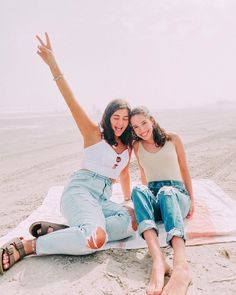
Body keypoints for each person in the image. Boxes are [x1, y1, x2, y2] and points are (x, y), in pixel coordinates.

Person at [0, 33, 137, 275]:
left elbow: (123, 174)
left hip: (101, 199)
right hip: (80, 192)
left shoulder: (127, 148)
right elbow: (70, 99)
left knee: (129, 222)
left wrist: (127, 202)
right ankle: (29, 245)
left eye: (125, 119)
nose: (121, 123)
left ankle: (68, 231)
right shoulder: (94, 134)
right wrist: (53, 64)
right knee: (95, 239)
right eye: (116, 117)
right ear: (108, 116)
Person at [130, 106, 194, 295]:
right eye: (135, 127)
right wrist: (143, 202)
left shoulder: (172, 139)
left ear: (152, 120)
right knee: (138, 189)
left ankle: (181, 266)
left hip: (176, 195)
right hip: (155, 196)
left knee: (167, 192)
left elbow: (184, 169)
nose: (141, 129)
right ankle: (158, 260)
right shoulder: (136, 146)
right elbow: (143, 173)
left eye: (144, 123)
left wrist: (192, 199)